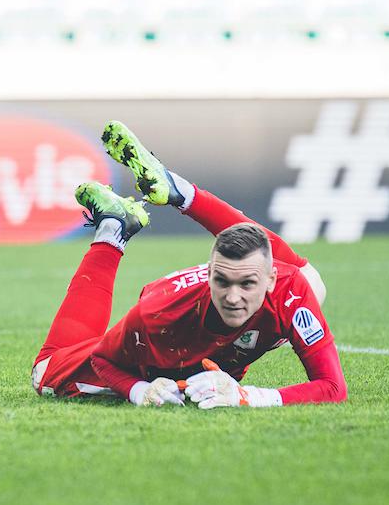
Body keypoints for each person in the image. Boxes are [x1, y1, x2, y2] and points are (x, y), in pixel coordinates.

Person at [32, 121, 346, 408]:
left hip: (218, 346)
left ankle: (181, 192)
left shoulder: (291, 290)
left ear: (272, 279)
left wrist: (248, 397)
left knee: (312, 280)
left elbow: (333, 387)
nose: (234, 297)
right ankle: (113, 231)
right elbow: (104, 359)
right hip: (157, 351)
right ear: (210, 277)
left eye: (248, 283)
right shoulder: (155, 315)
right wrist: (139, 390)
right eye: (223, 282)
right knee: (44, 375)